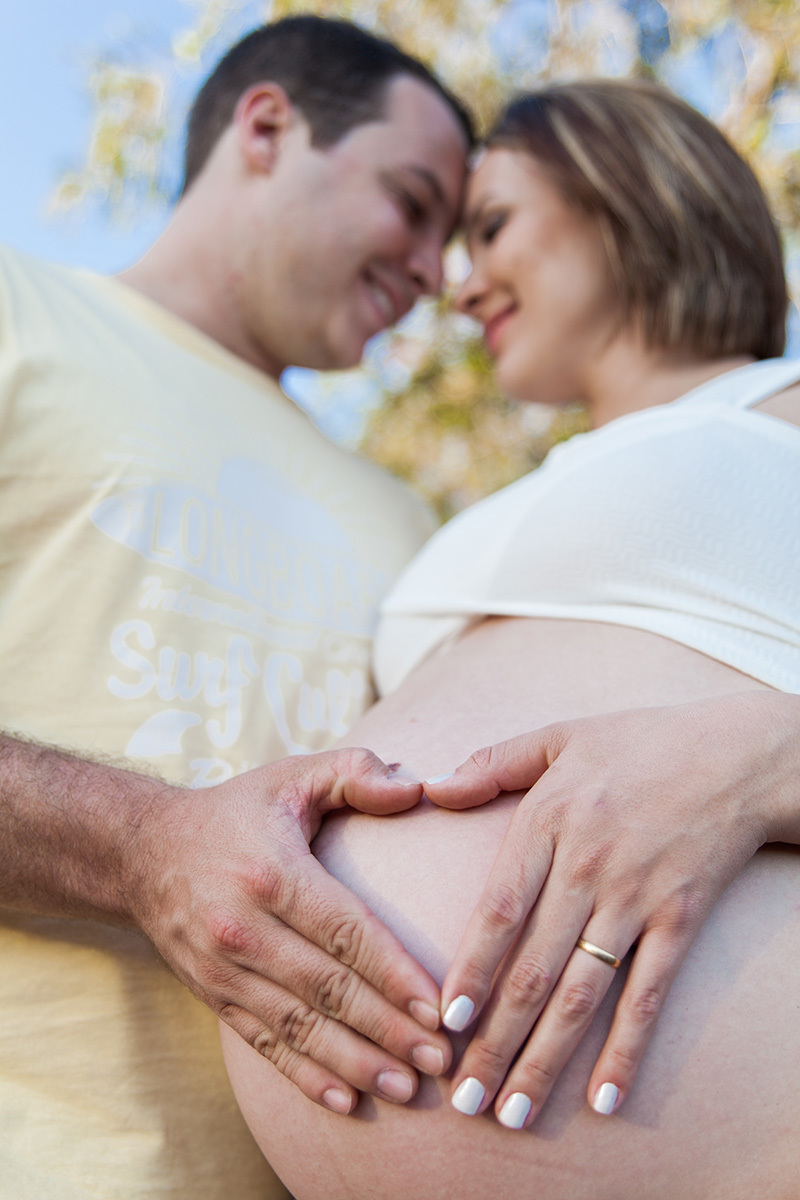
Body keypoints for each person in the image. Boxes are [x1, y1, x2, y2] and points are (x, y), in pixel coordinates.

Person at [221, 79, 800, 1199]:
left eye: (489, 226)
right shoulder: (518, 494)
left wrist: (764, 762)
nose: (457, 283)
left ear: (627, 187)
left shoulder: (782, 404)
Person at [0, 17, 471, 1198]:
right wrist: (139, 848)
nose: (433, 271)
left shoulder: (405, 517)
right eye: (413, 204)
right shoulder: (20, 312)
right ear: (267, 129)